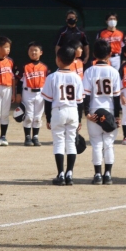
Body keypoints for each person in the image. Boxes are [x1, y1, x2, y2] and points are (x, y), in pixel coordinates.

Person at [42, 46, 84, 186]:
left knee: (59, 142)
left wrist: (48, 118)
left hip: (58, 111)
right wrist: (79, 119)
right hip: (73, 111)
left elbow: (48, 101)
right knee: (71, 142)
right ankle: (69, 174)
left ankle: (60, 174)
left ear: (58, 59)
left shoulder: (52, 77)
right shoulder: (77, 77)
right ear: (73, 60)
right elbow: (80, 102)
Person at [83, 40, 122, 185]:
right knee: (109, 144)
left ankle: (98, 175)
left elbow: (86, 95)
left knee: (96, 144)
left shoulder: (89, 71)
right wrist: (117, 116)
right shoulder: (114, 72)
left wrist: (86, 112)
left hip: (94, 111)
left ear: (94, 54)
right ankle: (108, 175)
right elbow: (117, 97)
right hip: (110, 110)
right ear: (110, 54)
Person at [17, 41, 49, 146]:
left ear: (41, 52)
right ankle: (27, 137)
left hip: (40, 93)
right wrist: (18, 93)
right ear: (28, 52)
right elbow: (19, 81)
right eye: (31, 50)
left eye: (36, 50)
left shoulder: (44, 67)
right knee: (28, 116)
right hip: (28, 93)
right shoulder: (24, 66)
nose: (33, 52)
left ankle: (35, 137)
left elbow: (48, 82)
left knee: (38, 116)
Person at [0, 36, 16, 146]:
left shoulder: (10, 61)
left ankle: (3, 136)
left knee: (5, 113)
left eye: (9, 47)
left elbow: (13, 78)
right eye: (6, 47)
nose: (8, 49)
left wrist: (14, 93)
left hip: (8, 88)